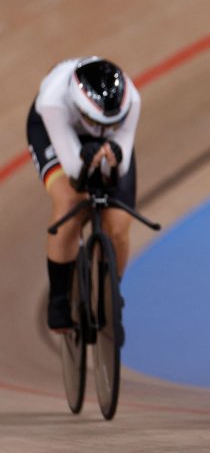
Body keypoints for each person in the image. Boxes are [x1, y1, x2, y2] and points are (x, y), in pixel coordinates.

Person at [27, 56, 141, 332]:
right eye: (98, 121)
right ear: (81, 109)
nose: (107, 128)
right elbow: (75, 172)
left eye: (116, 121)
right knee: (70, 203)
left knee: (118, 225)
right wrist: (86, 160)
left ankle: (110, 289)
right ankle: (59, 299)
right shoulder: (53, 102)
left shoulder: (132, 99)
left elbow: (121, 163)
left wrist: (111, 157)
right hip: (54, 131)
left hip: (103, 142)